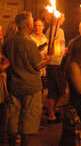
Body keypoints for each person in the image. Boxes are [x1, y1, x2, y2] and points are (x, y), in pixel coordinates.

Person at [4, 12, 50, 146]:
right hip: (30, 86)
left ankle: (12, 142)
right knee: (29, 118)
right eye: (31, 22)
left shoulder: (9, 42)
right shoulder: (29, 43)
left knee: (13, 115)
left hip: (14, 85)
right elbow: (38, 65)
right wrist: (48, 60)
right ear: (28, 25)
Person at [44, 13, 66, 123]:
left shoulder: (49, 30)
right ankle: (51, 112)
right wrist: (65, 50)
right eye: (62, 17)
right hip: (55, 64)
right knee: (56, 90)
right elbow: (58, 50)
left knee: (53, 89)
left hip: (51, 63)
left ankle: (52, 111)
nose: (64, 19)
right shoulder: (59, 31)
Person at [30, 19, 48, 92]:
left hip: (44, 70)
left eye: (39, 25)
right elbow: (33, 52)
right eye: (35, 25)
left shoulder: (45, 38)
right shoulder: (30, 39)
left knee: (42, 91)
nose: (37, 27)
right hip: (35, 70)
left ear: (43, 27)